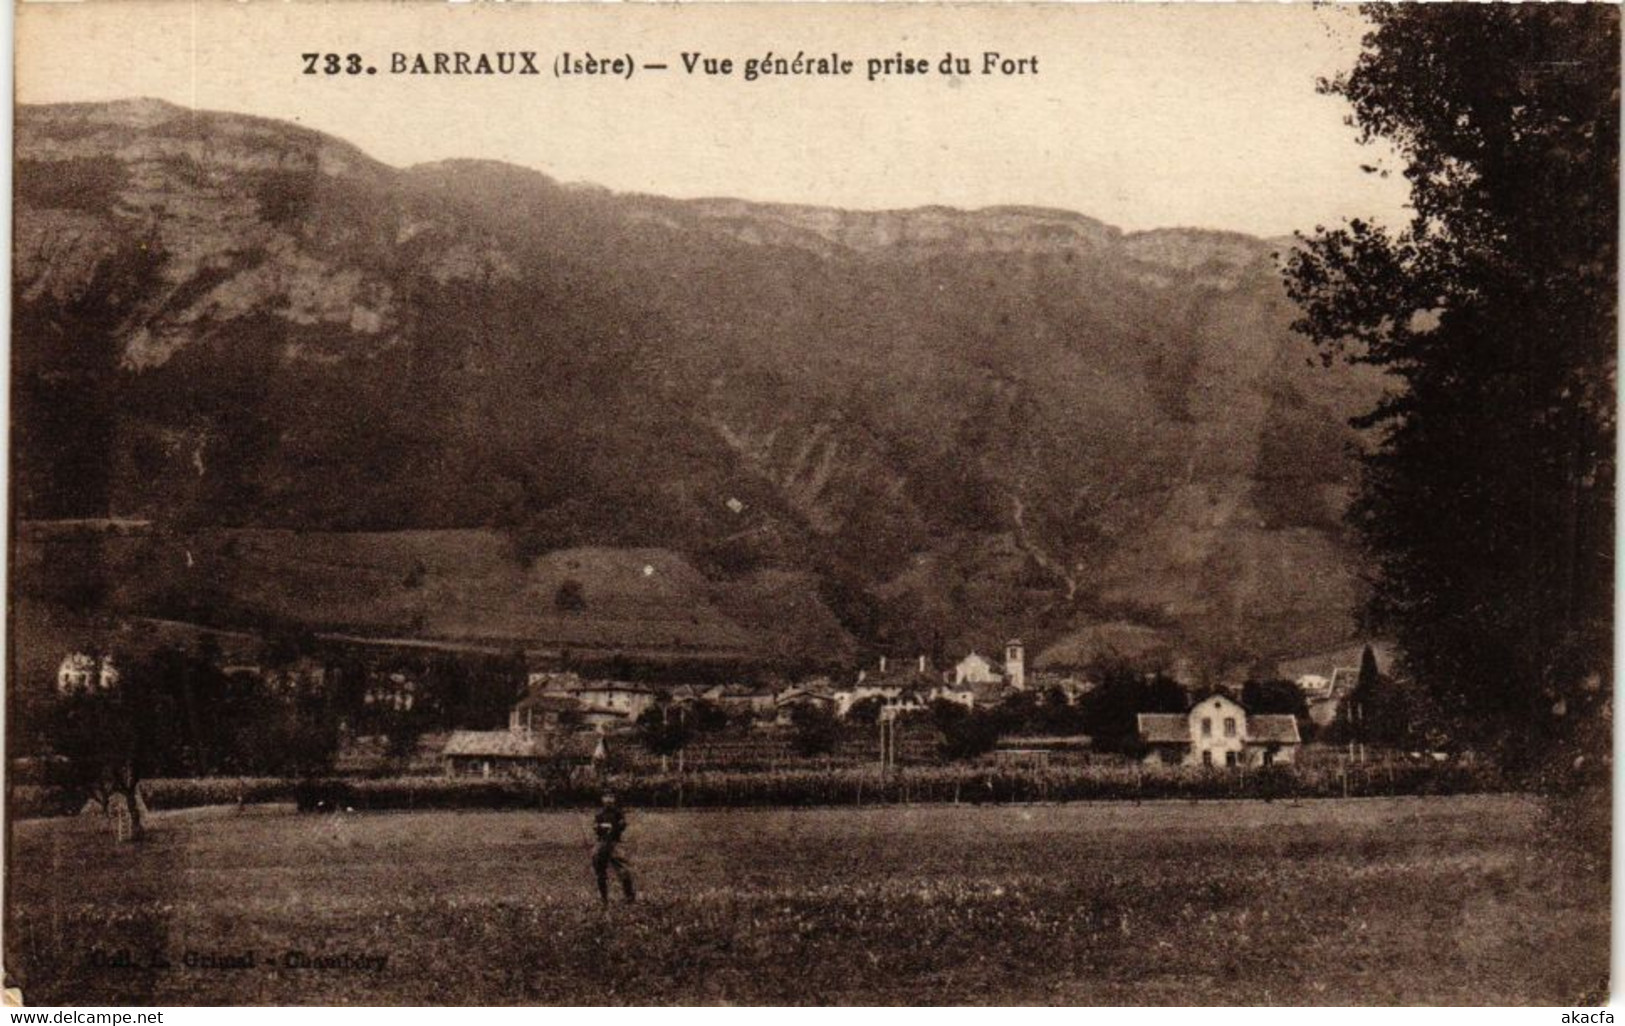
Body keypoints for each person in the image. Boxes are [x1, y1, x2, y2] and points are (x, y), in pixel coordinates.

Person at [591, 792, 635, 904]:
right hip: (601, 843)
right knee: (600, 871)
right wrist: (600, 827)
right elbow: (595, 827)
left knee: (624, 871)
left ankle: (629, 897)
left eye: (611, 797)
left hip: (615, 843)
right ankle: (604, 898)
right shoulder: (599, 813)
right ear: (602, 799)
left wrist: (614, 827)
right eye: (606, 797)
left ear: (614, 799)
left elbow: (622, 825)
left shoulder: (618, 813)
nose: (609, 800)